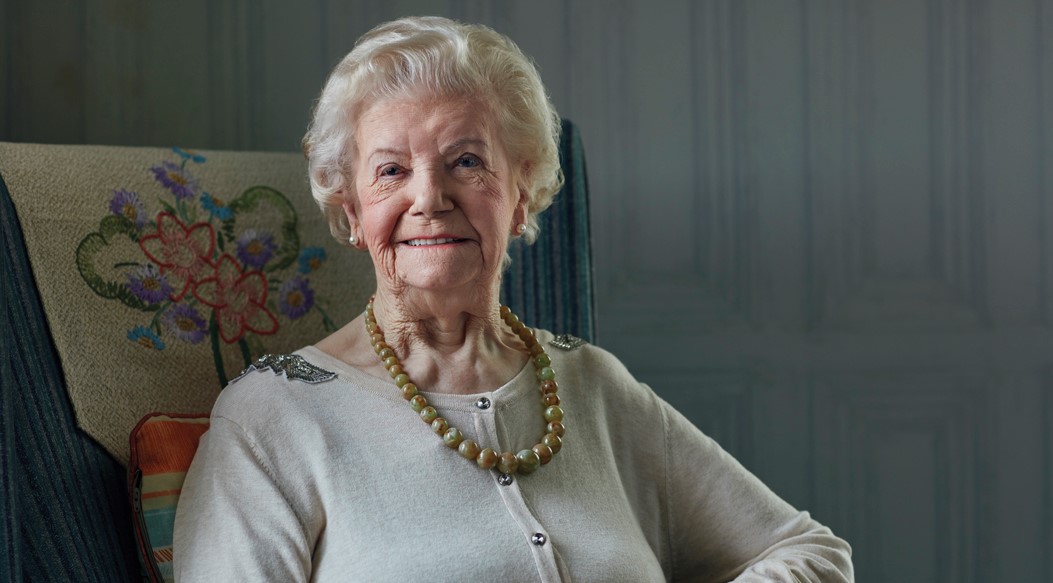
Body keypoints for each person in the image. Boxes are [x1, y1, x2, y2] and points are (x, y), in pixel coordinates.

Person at [173, 16, 853, 582]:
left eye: (466, 161)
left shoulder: (589, 385)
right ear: (350, 212)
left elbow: (812, 555)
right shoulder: (275, 416)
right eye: (390, 171)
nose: (428, 197)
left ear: (522, 192)